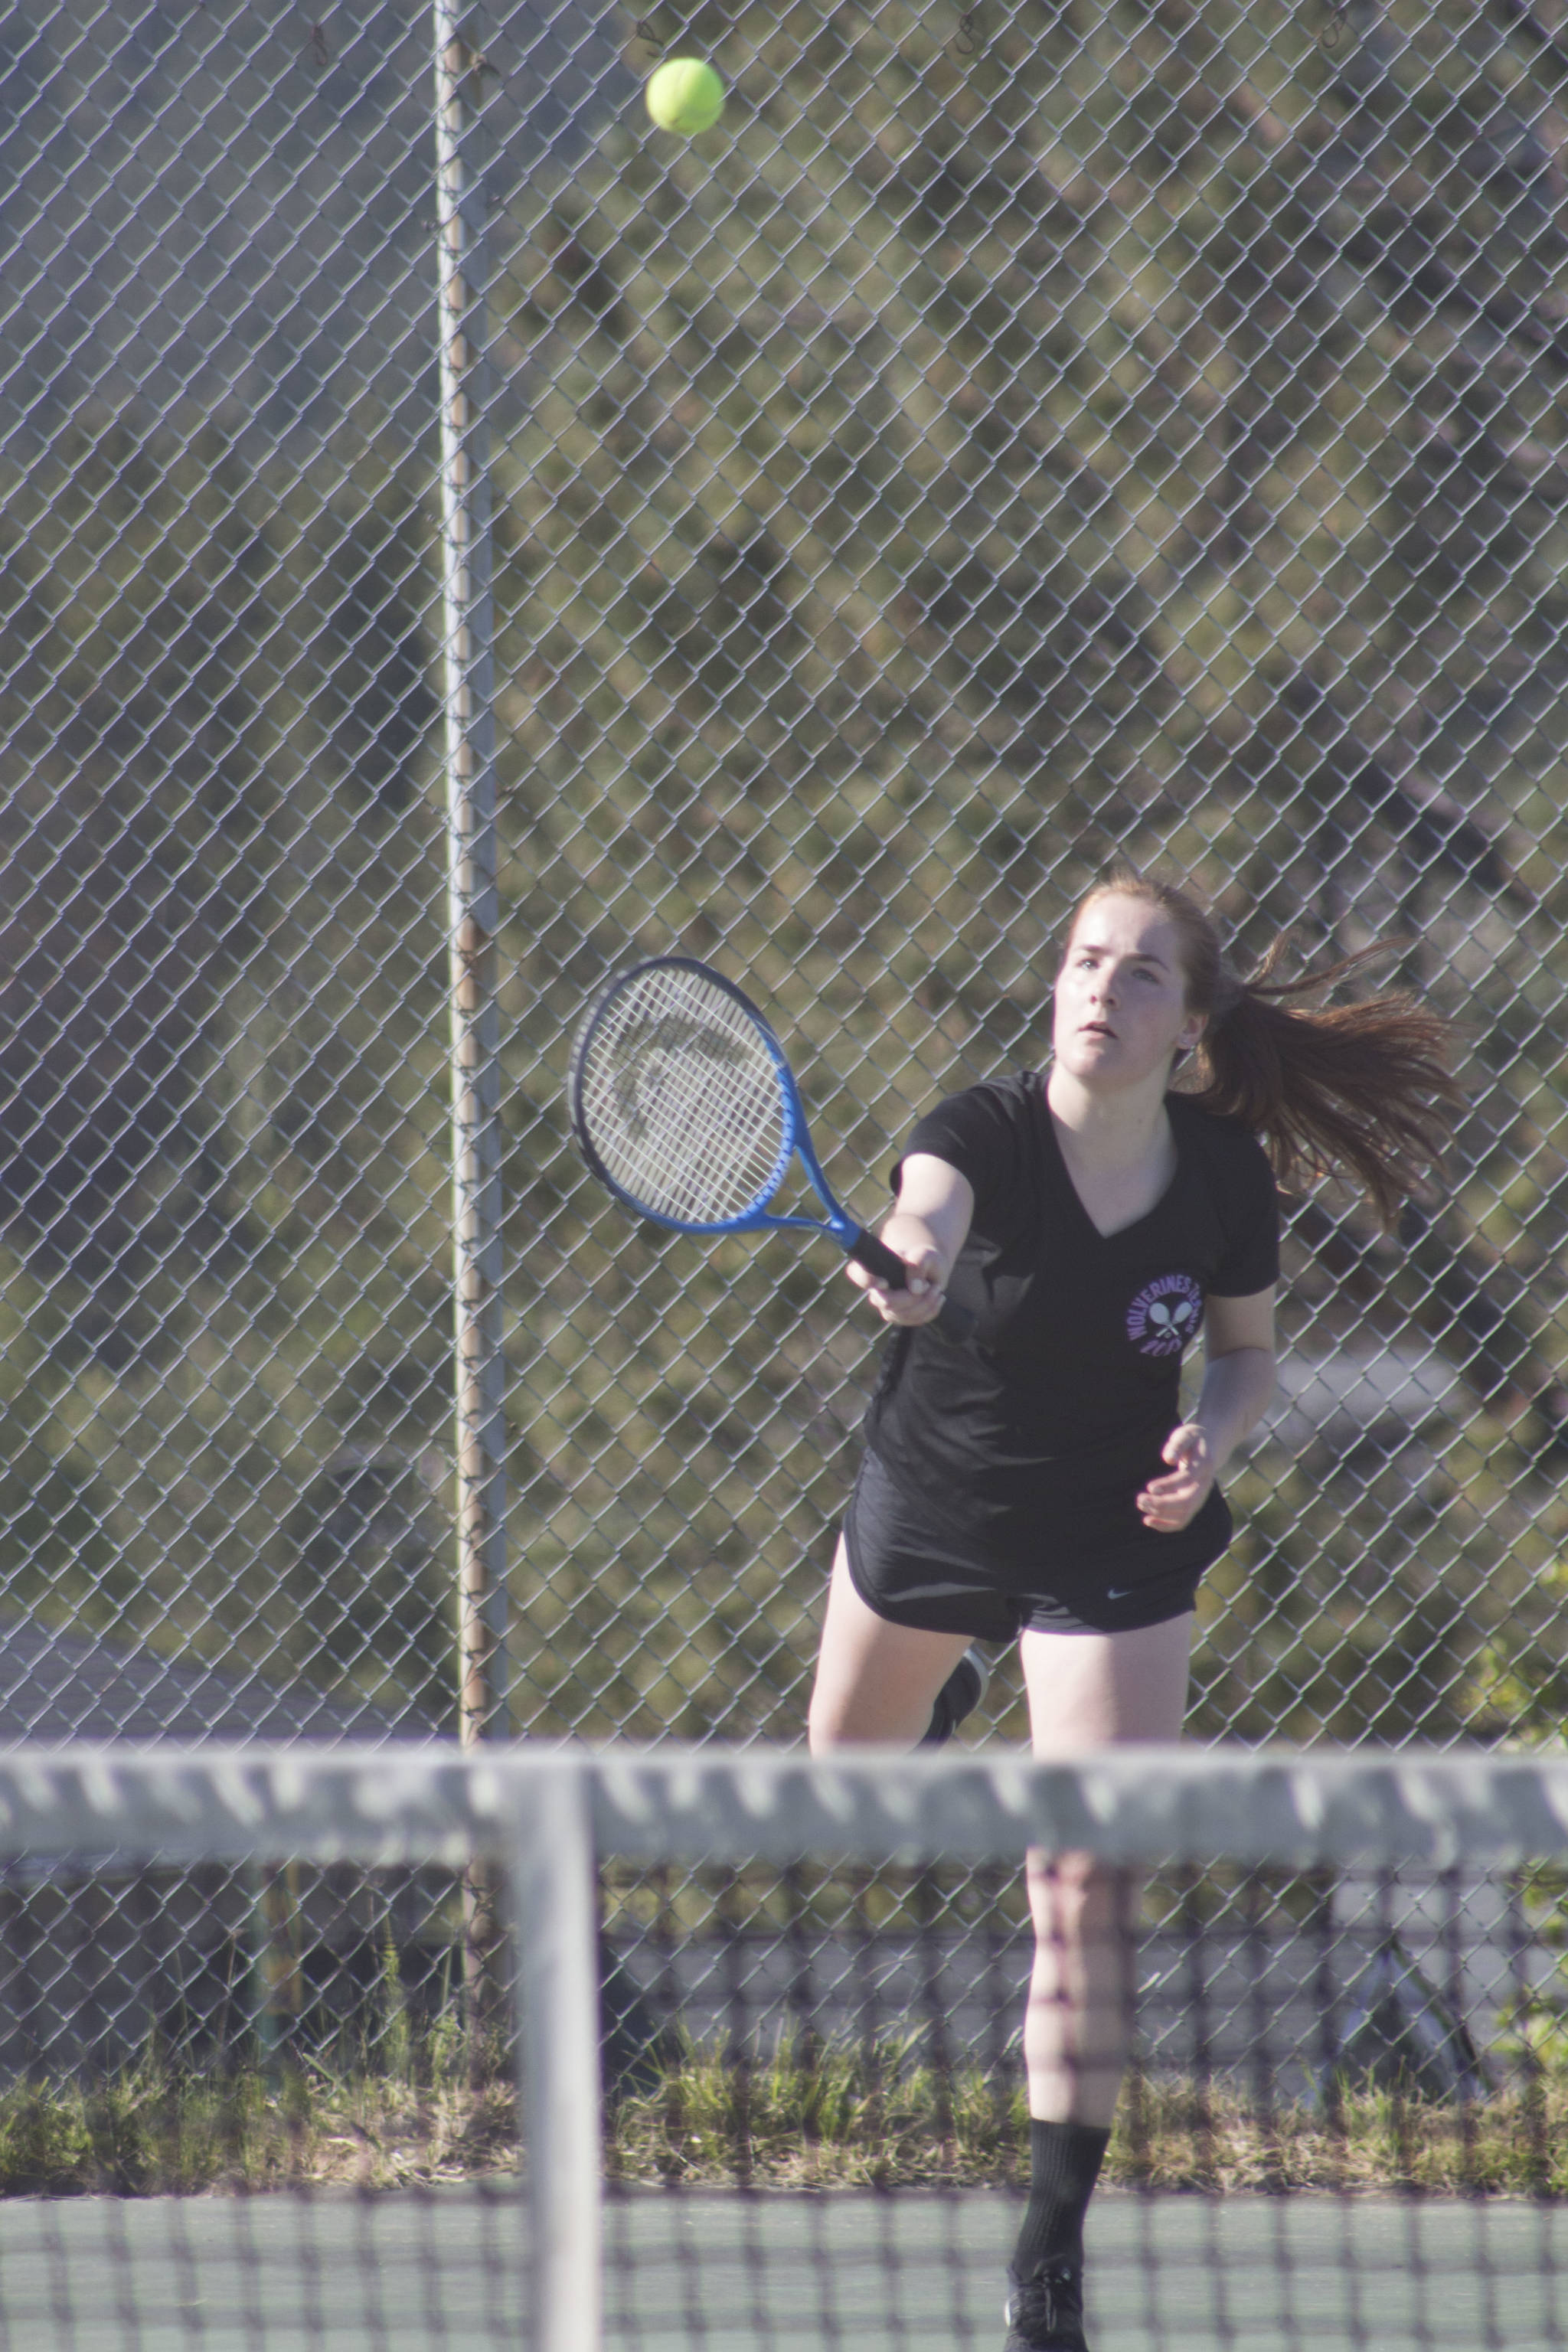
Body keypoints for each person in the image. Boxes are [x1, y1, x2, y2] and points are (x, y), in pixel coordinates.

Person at [806, 869, 1457, 2352]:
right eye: (1085, 961)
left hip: (1115, 1537)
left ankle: (1047, 2260)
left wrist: (1208, 1447)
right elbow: (924, 1215)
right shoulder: (975, 1132)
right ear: (1054, 989)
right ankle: (967, 1670)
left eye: (1141, 972)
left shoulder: (1222, 1178)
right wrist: (908, 1272)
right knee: (839, 1799)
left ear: (1188, 1024)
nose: (1101, 988)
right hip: (937, 1508)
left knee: (1087, 1885)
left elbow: (1242, 1359)